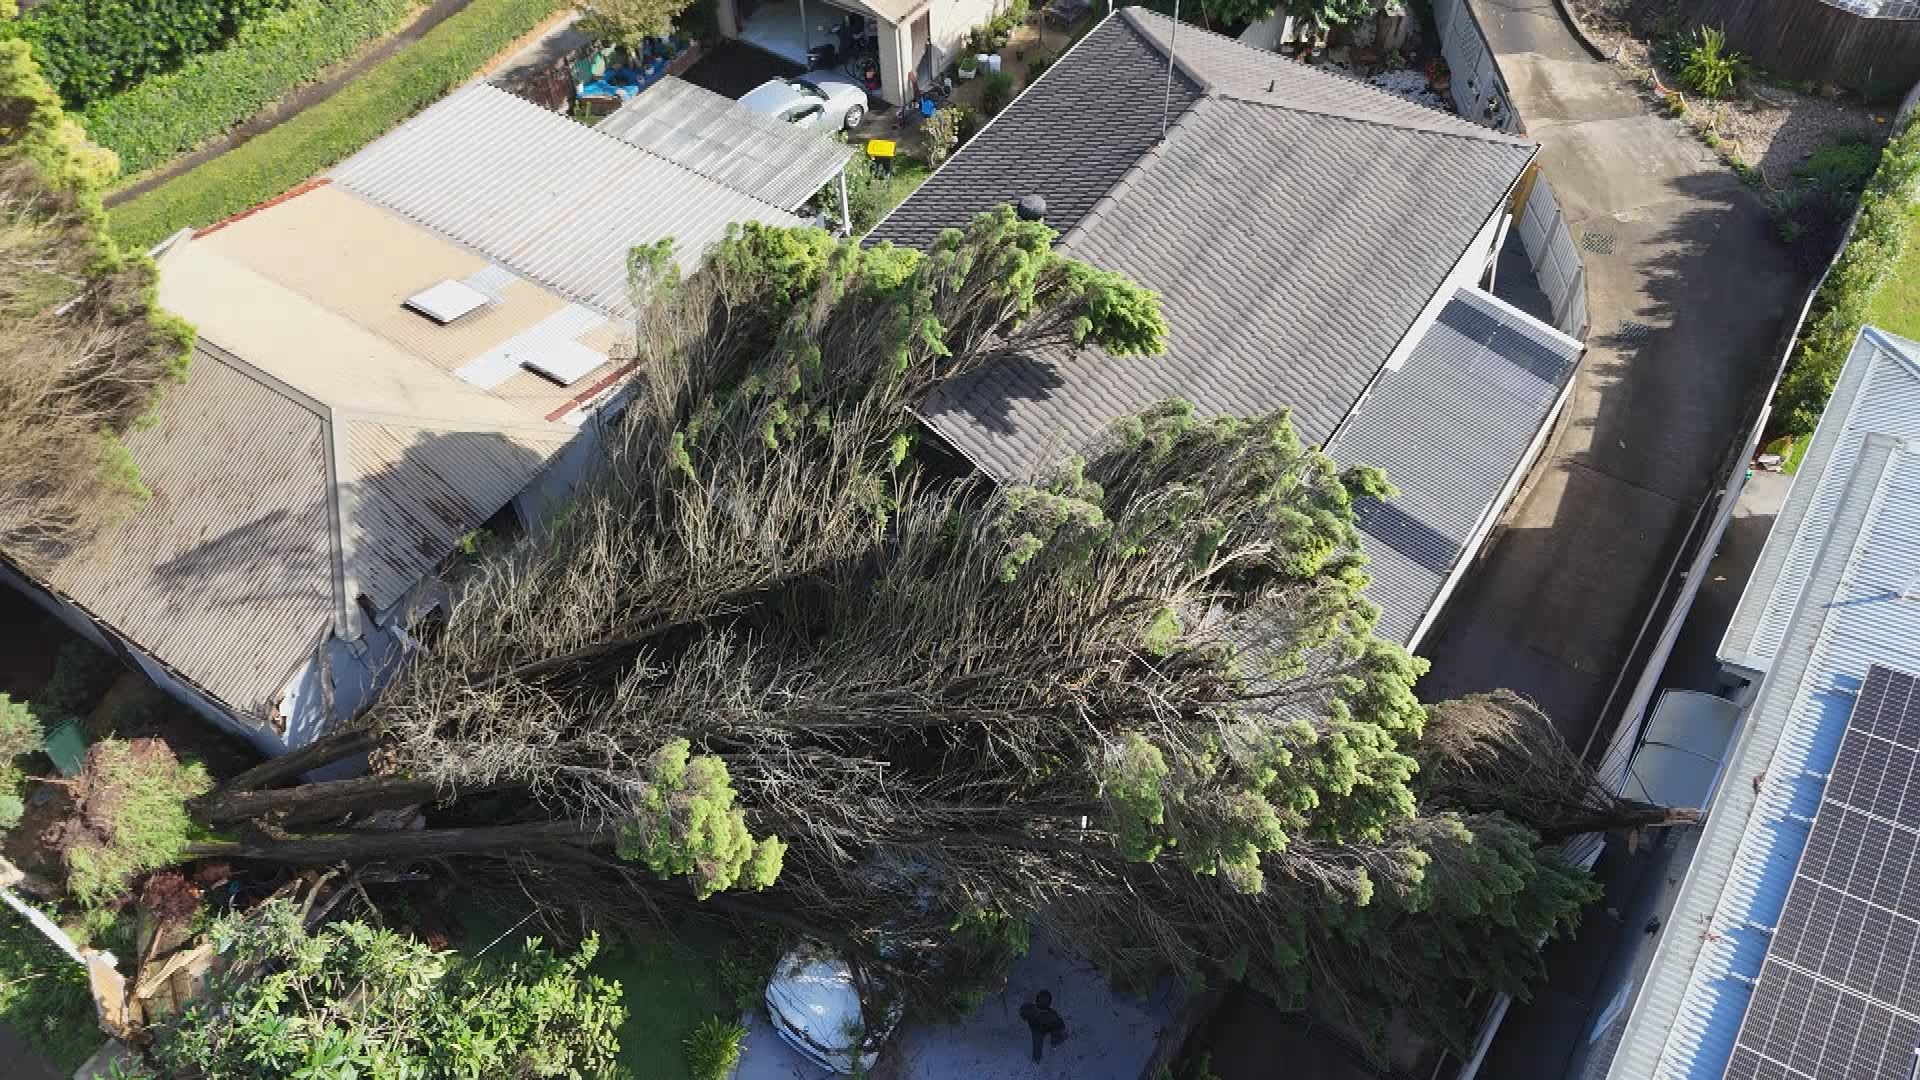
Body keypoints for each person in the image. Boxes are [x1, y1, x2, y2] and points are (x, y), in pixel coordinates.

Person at [1019, 990, 1067, 1063]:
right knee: (1054, 1032)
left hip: (1038, 1029)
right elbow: (1061, 1024)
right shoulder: (1052, 1015)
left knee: (1037, 1042)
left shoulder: (1030, 1009)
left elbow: (1022, 1013)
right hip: (1039, 1029)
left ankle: (1037, 1058)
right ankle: (1054, 1042)